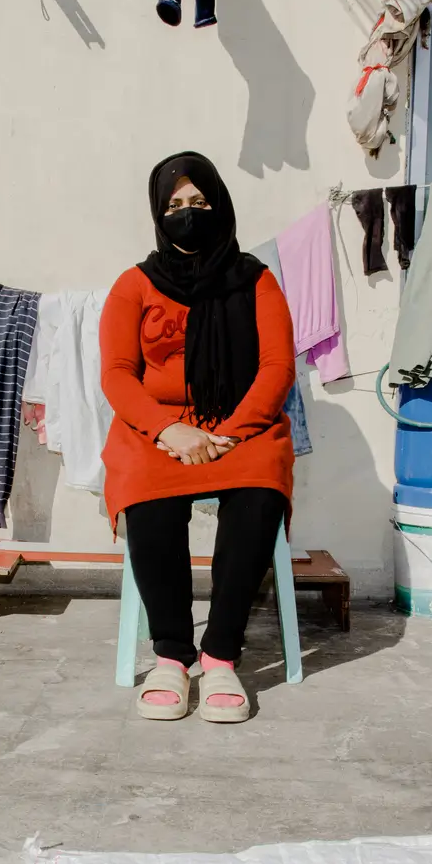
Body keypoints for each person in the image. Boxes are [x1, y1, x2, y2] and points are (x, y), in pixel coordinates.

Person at [100, 152, 295, 723]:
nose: (188, 215)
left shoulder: (256, 279)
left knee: (260, 491)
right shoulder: (133, 285)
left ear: (221, 205)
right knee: (145, 488)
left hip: (240, 424)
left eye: (200, 203)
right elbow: (117, 374)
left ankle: (220, 656)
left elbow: (277, 368)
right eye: (176, 206)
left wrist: (231, 434)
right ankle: (171, 656)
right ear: (159, 215)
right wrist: (168, 428)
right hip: (156, 426)